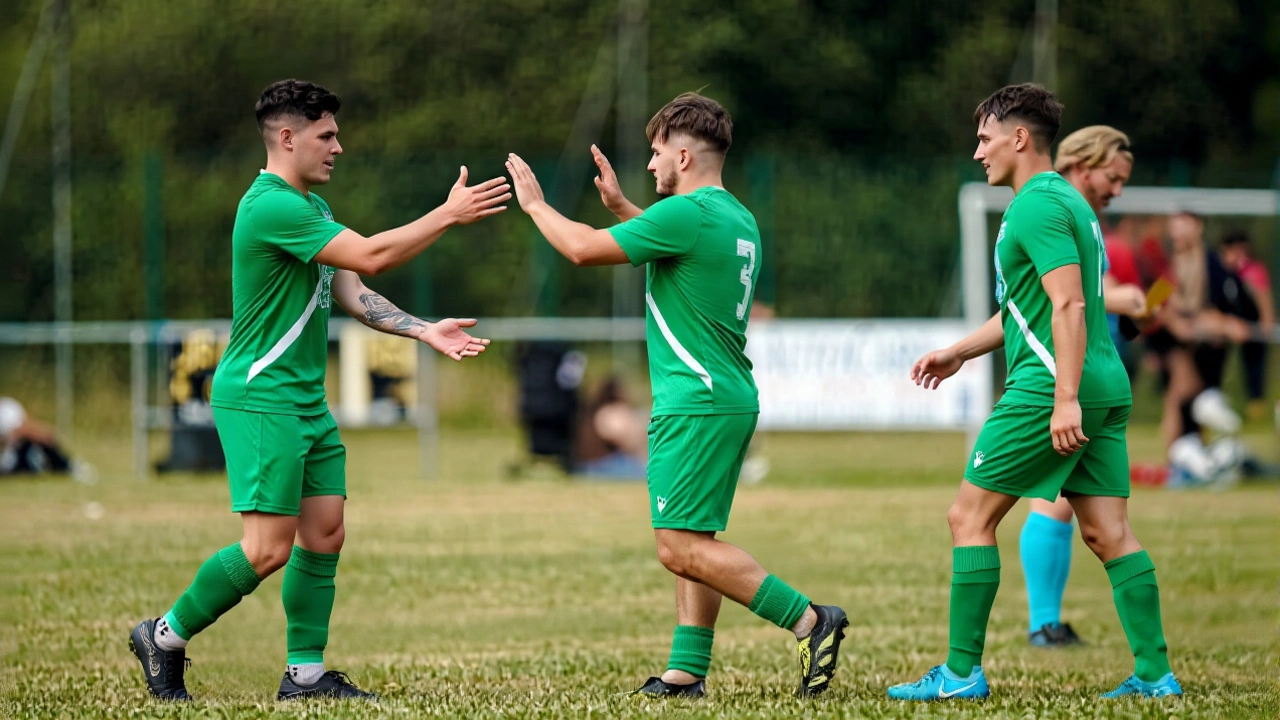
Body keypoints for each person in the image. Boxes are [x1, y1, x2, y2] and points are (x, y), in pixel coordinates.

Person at [128, 79, 508, 702]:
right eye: (326, 135)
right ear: (287, 137)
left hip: (305, 400)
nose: (338, 146)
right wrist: (447, 214)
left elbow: (357, 289)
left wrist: (422, 329)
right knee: (265, 551)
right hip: (261, 397)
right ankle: (163, 635)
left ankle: (304, 676)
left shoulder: (313, 212)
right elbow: (375, 254)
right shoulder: (270, 206)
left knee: (324, 531)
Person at [504, 93, 848, 698]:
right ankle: (685, 675)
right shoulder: (734, 216)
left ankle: (809, 619)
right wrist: (623, 208)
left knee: (677, 546)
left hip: (696, 401)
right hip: (726, 396)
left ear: (684, 156)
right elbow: (679, 251)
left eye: (658, 151)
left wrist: (535, 206)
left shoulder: (687, 215)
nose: (652, 163)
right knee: (695, 538)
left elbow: (583, 249)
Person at [889, 84, 1180, 702]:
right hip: (1105, 384)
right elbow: (1028, 308)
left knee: (969, 517)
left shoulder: (1035, 207)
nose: (978, 153)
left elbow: (1069, 304)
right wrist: (959, 351)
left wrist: (1064, 397)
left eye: (985, 138)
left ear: (1019, 138)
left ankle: (961, 675)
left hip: (1052, 384)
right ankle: (1156, 676)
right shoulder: (1068, 204)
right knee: (1109, 534)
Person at [1016, 125, 1150, 649]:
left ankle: (1148, 667)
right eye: (1112, 178)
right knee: (1001, 509)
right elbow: (1069, 297)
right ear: (1081, 165)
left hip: (1092, 377)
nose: (1117, 189)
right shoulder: (1057, 210)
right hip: (1059, 374)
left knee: (1091, 519)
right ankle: (1040, 625)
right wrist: (1124, 300)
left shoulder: (1080, 217)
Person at [1219, 231, 1273, 418]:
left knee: (1254, 365)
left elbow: (1263, 296)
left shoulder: (1251, 271)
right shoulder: (1225, 272)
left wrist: (1267, 321)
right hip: (1227, 325)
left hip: (1252, 328)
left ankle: (1256, 404)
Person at [573, 376, 649, 479]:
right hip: (604, 465)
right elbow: (627, 441)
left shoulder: (592, 413)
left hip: (588, 464)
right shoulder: (610, 413)